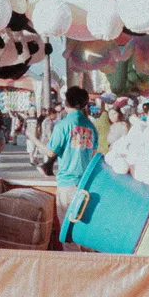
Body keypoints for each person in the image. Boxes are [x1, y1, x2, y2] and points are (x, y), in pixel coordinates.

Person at [39, 86, 98, 248]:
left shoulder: (62, 125)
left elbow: (51, 152)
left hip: (67, 183)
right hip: (86, 184)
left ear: (66, 102)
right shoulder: (91, 127)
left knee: (68, 233)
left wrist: (34, 140)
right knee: (84, 231)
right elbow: (93, 154)